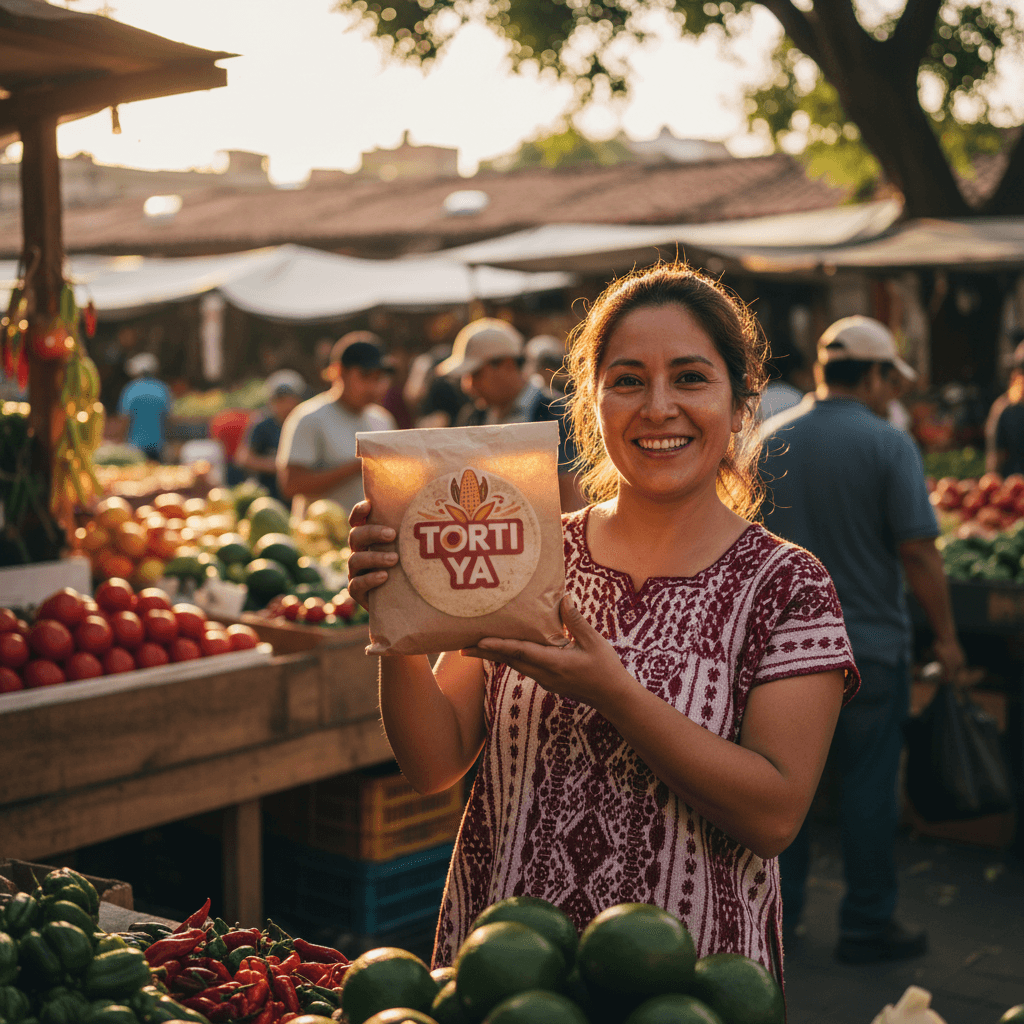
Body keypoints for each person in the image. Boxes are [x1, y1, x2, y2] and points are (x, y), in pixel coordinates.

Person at [347, 264, 858, 982]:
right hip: (506, 971)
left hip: (684, 986)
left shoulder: (787, 585)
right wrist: (395, 612)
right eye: (627, 381)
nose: (658, 407)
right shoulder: (528, 550)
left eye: (690, 378)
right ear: (592, 404)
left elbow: (773, 818)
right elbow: (433, 765)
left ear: (741, 405)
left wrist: (614, 693)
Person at [760, 315, 966, 964]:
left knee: (781, 791)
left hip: (780, 656)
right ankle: (867, 922)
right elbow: (919, 552)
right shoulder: (887, 443)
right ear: (874, 374)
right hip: (868, 648)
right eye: (889, 379)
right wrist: (946, 637)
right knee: (869, 788)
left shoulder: (768, 439)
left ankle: (777, 922)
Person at [440, 318, 583, 512]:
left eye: (475, 374)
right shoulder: (474, 416)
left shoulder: (557, 414)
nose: (468, 386)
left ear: (507, 365)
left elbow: (572, 498)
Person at [276, 333, 396, 512]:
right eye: (365, 376)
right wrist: (359, 466)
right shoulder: (309, 418)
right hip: (321, 529)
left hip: (371, 529)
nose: (373, 387)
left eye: (378, 378)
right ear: (339, 372)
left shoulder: (383, 420)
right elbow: (290, 485)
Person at [233, 372, 306, 499]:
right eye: (280, 400)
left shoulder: (306, 423)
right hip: (268, 494)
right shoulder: (262, 424)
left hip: (300, 493)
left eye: (289, 399)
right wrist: (278, 467)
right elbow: (243, 458)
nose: (286, 405)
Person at [116, 352, 172, 462]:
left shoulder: (131, 389)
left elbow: (124, 418)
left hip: (135, 446)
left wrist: (121, 441)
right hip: (158, 445)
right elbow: (169, 418)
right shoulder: (162, 388)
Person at [986, 333, 1024, 475]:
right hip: (1014, 485)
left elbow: (995, 461)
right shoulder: (1005, 410)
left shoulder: (1003, 408)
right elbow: (996, 459)